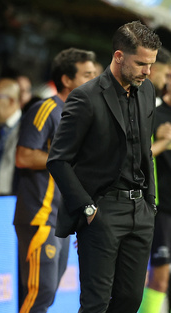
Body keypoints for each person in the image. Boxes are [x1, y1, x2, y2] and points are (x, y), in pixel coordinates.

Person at [47, 21, 161, 313]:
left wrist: (151, 201)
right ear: (119, 56)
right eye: (141, 64)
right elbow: (58, 160)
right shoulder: (85, 97)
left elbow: (145, 150)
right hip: (102, 211)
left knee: (129, 301)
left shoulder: (146, 90)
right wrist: (86, 207)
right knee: (96, 304)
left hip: (141, 211)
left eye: (151, 64)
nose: (148, 72)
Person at [15, 47, 97, 313]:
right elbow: (24, 156)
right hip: (40, 215)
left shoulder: (84, 115)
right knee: (41, 291)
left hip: (62, 219)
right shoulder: (46, 109)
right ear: (66, 79)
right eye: (87, 74)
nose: (94, 80)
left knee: (48, 294)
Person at [138, 47, 171, 313]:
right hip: (160, 209)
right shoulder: (154, 115)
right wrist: (163, 141)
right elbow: (139, 156)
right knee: (158, 276)